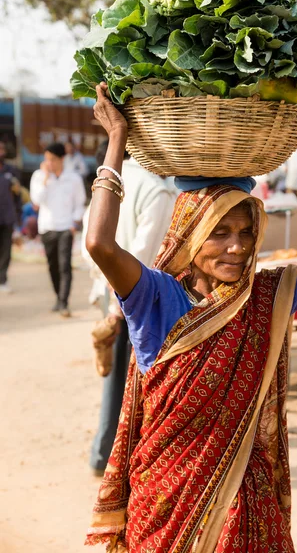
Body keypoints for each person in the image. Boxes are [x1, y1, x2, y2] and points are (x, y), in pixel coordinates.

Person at [84, 83, 297, 553]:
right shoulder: (155, 297)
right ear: (190, 235)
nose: (237, 246)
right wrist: (117, 139)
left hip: (245, 508)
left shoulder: (269, 295)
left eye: (247, 231)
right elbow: (100, 245)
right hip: (165, 501)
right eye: (220, 232)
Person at [86, 139, 177, 475]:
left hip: (112, 295)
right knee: (137, 384)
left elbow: (89, 246)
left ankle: (104, 455)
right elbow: (143, 255)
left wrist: (107, 295)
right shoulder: (156, 188)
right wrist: (117, 302)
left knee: (118, 382)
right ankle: (119, 459)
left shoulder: (106, 186)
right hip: (138, 300)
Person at [30, 142, 86, 316]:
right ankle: (58, 297)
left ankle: (64, 302)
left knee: (64, 266)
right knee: (52, 265)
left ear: (62, 159)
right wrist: (46, 179)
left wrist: (73, 224)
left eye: (53, 160)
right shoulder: (39, 176)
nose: (49, 163)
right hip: (47, 228)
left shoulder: (74, 178)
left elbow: (80, 203)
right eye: (47, 159)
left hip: (65, 228)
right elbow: (37, 201)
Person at [0, 141, 21, 293]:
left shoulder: (11, 171)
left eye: (2, 148)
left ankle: (2, 280)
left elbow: (18, 196)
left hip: (7, 218)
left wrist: (18, 220)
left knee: (6, 251)